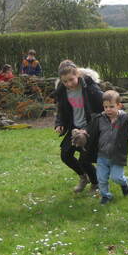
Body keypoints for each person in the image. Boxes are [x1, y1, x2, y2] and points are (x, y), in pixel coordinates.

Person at [54, 59, 103, 193]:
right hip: (74, 127)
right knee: (66, 155)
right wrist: (59, 124)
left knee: (84, 159)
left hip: (89, 127)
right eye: (65, 81)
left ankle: (95, 183)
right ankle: (84, 177)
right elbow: (61, 110)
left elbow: (103, 106)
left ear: (78, 75)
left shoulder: (90, 87)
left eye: (71, 79)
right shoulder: (63, 91)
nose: (69, 84)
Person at [83, 90, 128, 205]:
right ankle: (105, 195)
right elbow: (89, 129)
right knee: (101, 179)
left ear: (119, 105)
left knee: (116, 178)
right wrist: (82, 133)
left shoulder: (124, 119)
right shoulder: (99, 119)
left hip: (117, 155)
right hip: (102, 155)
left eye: (111, 106)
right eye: (105, 107)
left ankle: (125, 183)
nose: (108, 109)